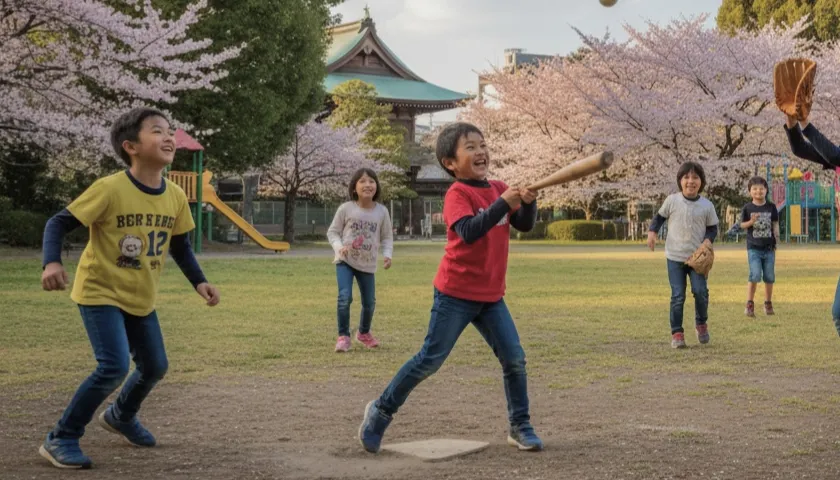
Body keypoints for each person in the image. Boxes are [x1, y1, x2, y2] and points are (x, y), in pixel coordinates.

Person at [38, 107, 220, 469]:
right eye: (156, 131)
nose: (168, 137)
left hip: (141, 297)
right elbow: (57, 223)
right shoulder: (109, 188)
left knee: (154, 366)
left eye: (170, 130)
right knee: (113, 366)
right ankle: (61, 437)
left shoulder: (175, 196)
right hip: (100, 291)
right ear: (131, 146)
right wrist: (52, 262)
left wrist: (200, 281)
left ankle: (120, 415)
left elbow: (180, 246)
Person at [357, 122, 543, 454]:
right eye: (470, 147)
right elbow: (470, 230)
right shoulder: (458, 194)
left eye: (482, 144)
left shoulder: (498, 187)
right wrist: (504, 202)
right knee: (429, 360)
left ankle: (520, 425)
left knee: (514, 358)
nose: (480, 151)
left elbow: (524, 224)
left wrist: (527, 202)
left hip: (490, 296)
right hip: (454, 294)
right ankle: (380, 411)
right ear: (450, 163)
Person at [648, 161, 719, 349]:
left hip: (697, 259)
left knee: (700, 291)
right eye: (686, 177)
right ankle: (677, 332)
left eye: (695, 177)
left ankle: (701, 323)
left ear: (701, 182)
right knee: (678, 295)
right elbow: (659, 218)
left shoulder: (707, 205)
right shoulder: (672, 200)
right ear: (680, 180)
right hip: (675, 256)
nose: (690, 181)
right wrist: (652, 232)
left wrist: (707, 240)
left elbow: (713, 228)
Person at [326, 168, 394, 352]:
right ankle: (343, 336)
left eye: (371, 181)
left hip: (367, 263)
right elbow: (332, 232)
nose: (368, 185)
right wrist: (339, 247)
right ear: (354, 187)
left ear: (376, 186)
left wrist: (388, 255)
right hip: (345, 261)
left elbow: (387, 236)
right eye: (363, 181)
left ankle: (363, 333)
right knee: (344, 297)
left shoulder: (381, 212)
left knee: (369, 302)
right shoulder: (346, 209)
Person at [739, 176, 779, 317]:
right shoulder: (747, 208)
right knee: (754, 274)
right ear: (750, 191)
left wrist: (776, 236)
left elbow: (775, 223)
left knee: (769, 276)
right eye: (754, 189)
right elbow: (742, 225)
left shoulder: (771, 207)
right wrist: (751, 221)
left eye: (761, 189)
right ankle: (749, 303)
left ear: (766, 190)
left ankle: (768, 303)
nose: (758, 192)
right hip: (754, 248)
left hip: (769, 248)